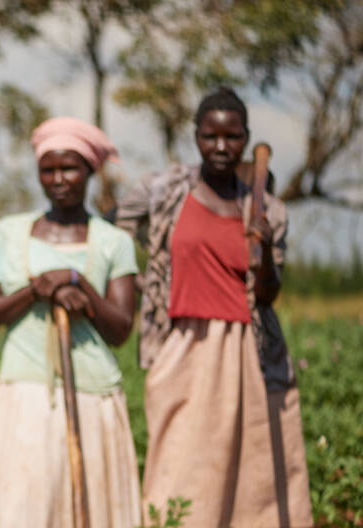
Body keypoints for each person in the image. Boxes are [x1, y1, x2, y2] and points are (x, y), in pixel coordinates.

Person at [116, 87, 312, 527]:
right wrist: (142, 288)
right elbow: (116, 230)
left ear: (246, 138)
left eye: (233, 136)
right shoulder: (162, 190)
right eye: (210, 136)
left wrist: (259, 245)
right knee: (179, 471)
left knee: (253, 481)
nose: (221, 146)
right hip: (182, 347)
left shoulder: (270, 210)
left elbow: (267, 294)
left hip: (249, 353)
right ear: (196, 136)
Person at [0, 117, 141, 527]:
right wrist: (36, 290)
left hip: (92, 395)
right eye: (49, 169)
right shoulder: (11, 232)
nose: (59, 179)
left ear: (90, 172)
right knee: (23, 507)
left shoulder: (114, 242)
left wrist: (80, 287)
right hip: (25, 396)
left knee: (88, 508)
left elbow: (121, 329)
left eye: (70, 168)